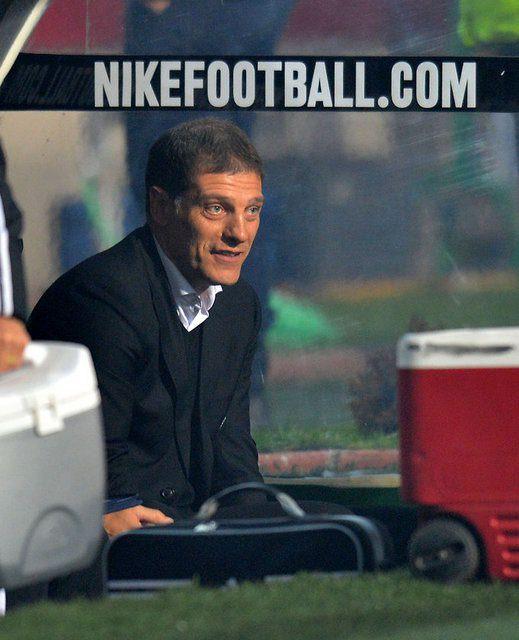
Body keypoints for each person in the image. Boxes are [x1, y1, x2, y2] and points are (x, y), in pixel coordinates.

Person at [28, 118, 268, 538]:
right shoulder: (102, 299)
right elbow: (96, 457)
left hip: (192, 524)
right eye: (216, 208)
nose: (239, 233)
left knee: (338, 534)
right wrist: (114, 508)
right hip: (108, 530)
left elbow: (232, 443)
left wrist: (259, 527)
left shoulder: (239, 304)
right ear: (160, 206)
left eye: (252, 211)